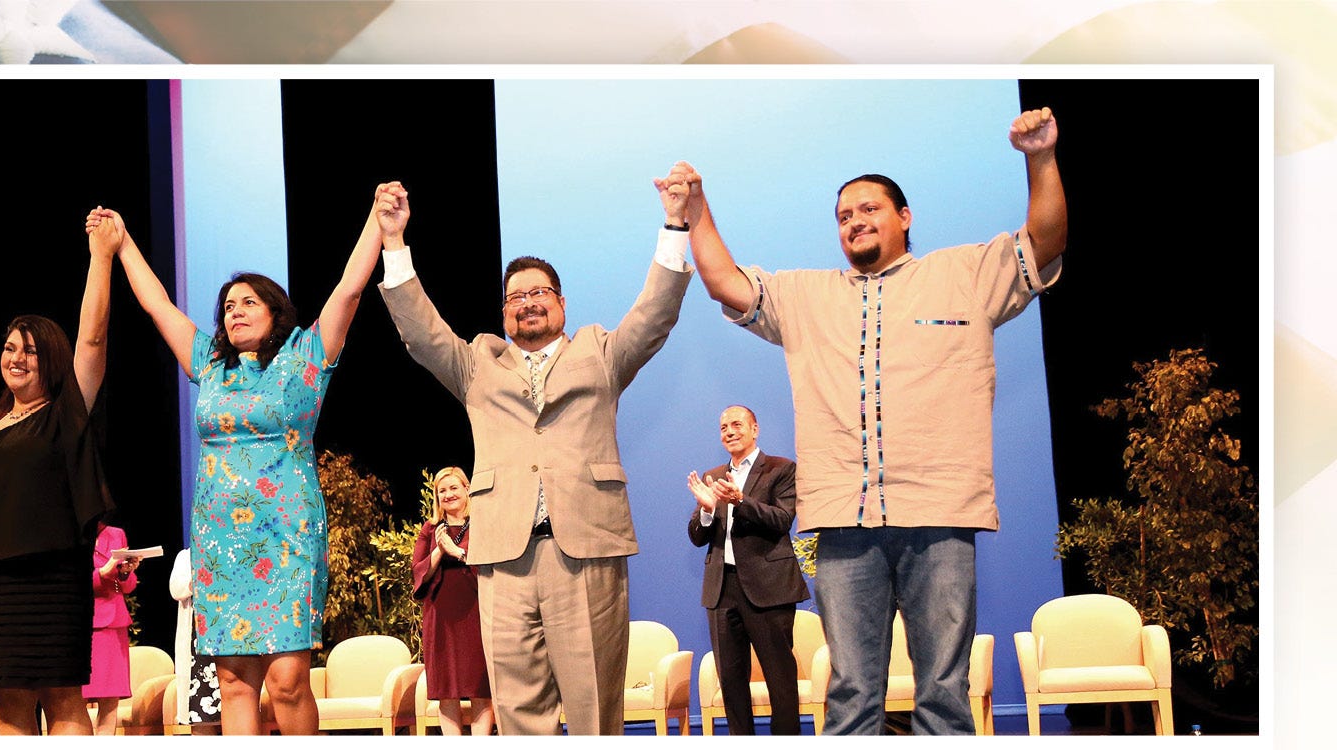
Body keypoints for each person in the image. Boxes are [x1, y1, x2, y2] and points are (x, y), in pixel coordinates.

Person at [677, 108, 1067, 735]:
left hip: (939, 512)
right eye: (843, 216)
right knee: (852, 691)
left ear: (904, 217)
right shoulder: (807, 296)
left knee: (942, 689)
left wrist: (1040, 157)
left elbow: (1044, 243)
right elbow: (724, 282)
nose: (854, 221)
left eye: (869, 209)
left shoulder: (964, 274)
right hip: (843, 524)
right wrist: (697, 211)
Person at [375, 176, 694, 735]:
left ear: (561, 303)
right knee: (519, 709)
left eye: (539, 293)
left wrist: (674, 227)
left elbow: (652, 317)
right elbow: (423, 336)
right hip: (504, 555)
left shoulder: (599, 353)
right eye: (516, 296)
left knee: (595, 705)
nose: (527, 303)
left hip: (586, 550)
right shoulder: (478, 363)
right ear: (503, 312)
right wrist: (395, 243)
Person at [84, 184, 389, 736]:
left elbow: (348, 289)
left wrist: (376, 219)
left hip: (287, 533)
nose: (234, 312)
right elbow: (157, 306)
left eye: (248, 302)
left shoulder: (306, 355)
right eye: (228, 305)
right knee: (233, 683)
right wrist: (124, 243)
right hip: (220, 538)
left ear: (277, 312)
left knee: (289, 680)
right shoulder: (211, 363)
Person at [0, 216, 120, 735]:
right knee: (8, 703)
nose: (16, 358)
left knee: (62, 699)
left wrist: (101, 255)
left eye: (30, 350)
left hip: (52, 581)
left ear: (52, 362)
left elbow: (93, 337)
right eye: (9, 348)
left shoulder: (66, 412)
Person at [686, 405, 809, 735]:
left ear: (755, 429)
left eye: (737, 424)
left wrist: (741, 501)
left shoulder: (780, 469)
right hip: (722, 589)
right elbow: (697, 536)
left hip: (769, 589)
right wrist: (708, 512)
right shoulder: (713, 476)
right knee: (731, 681)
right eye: (723, 426)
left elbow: (781, 520)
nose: (729, 431)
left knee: (780, 678)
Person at [410, 466, 494, 735]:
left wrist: (457, 552)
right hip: (440, 617)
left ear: (467, 490)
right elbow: (417, 571)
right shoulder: (431, 528)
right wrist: (438, 553)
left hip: (476, 612)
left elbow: (490, 567)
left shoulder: (483, 524)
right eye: (442, 491)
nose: (448, 495)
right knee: (447, 690)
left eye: (453, 488)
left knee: (481, 687)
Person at [85, 521, 141, 734]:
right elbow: (68, 582)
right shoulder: (68, 533)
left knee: (110, 701)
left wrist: (125, 573)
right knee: (73, 699)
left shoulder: (116, 534)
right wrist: (102, 572)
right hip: (82, 622)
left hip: (113, 624)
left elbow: (125, 586)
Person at [169, 547, 221, 733]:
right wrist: (202, 579)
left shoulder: (234, 552)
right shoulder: (186, 556)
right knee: (199, 714)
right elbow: (176, 589)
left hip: (226, 639)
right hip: (197, 643)